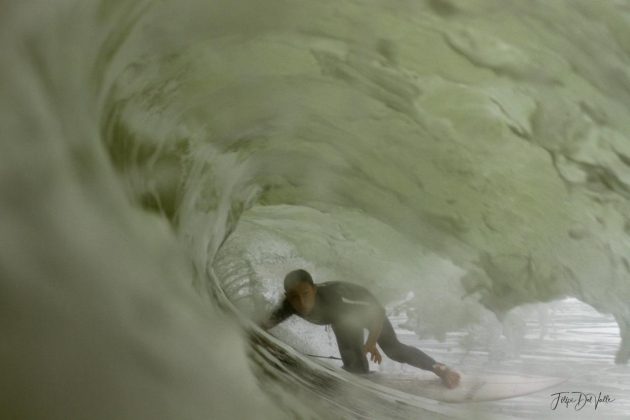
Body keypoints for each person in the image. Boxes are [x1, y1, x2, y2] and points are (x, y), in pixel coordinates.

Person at [260, 269, 461, 389]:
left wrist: (371, 341)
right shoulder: (288, 307)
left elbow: (377, 311)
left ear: (314, 289)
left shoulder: (334, 296)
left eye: (305, 293)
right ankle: (359, 379)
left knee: (393, 349)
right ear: (287, 296)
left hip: (367, 310)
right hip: (343, 319)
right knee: (353, 363)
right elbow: (262, 326)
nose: (301, 302)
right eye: (294, 296)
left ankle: (439, 368)